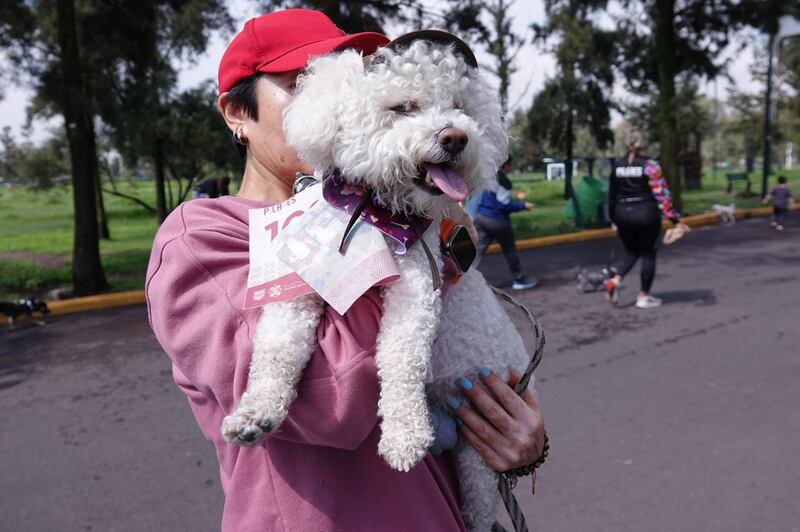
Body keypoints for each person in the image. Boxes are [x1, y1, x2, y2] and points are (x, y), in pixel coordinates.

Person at [145, 10, 545, 531]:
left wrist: (521, 444)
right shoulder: (203, 238)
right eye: (297, 84)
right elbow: (329, 402)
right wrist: (430, 262)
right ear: (235, 113)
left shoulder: (409, 213)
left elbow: (462, 377)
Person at [604, 130, 690, 309]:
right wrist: (675, 220)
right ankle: (643, 297)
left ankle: (615, 280)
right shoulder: (650, 165)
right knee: (648, 253)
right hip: (645, 213)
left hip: (622, 214)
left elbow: (611, 196)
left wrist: (612, 219)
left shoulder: (617, 165)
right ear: (644, 144)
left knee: (631, 251)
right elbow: (662, 197)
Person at [474, 154, 537, 290]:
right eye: (510, 165)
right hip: (497, 221)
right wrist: (523, 206)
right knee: (510, 250)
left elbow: (494, 198)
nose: (511, 168)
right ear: (505, 166)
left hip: (481, 218)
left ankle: (462, 279)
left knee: (476, 251)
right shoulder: (505, 182)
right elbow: (503, 205)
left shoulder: (489, 176)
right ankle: (519, 279)